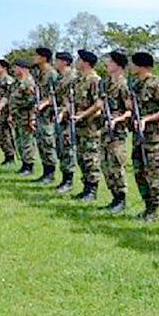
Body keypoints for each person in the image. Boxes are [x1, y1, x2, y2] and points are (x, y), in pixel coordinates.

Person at [129, 52, 159, 221]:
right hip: (138, 137)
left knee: (153, 174)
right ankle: (147, 207)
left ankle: (153, 210)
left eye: (133, 64)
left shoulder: (155, 84)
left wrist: (147, 119)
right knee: (139, 173)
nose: (131, 67)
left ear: (141, 66)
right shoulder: (137, 85)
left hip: (153, 137)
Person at [99, 51, 132, 213]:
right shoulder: (105, 84)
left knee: (116, 164)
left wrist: (117, 119)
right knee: (105, 165)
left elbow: (130, 110)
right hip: (104, 130)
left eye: (110, 62)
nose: (107, 64)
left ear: (118, 65)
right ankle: (114, 196)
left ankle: (121, 197)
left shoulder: (123, 85)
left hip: (117, 132)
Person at [71, 50, 103, 201]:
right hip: (79, 126)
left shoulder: (94, 80)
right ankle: (86, 187)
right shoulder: (79, 81)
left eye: (79, 59)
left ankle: (92, 189)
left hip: (91, 127)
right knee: (81, 158)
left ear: (85, 62)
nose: (77, 62)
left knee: (91, 158)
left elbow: (98, 104)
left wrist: (83, 115)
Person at [52, 52, 80, 193]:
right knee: (61, 148)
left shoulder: (72, 78)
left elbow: (70, 100)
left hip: (68, 119)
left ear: (64, 62)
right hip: (60, 118)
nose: (55, 63)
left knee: (68, 149)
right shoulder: (60, 78)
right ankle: (64, 178)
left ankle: (68, 180)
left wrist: (64, 111)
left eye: (57, 60)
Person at [32, 48, 60, 184]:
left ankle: (50, 173)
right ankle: (45, 171)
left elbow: (55, 94)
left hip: (49, 115)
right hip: (40, 115)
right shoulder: (39, 73)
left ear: (44, 58)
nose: (34, 57)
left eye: (37, 55)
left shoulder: (51, 74)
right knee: (41, 143)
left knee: (48, 143)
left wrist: (45, 103)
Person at [10, 60, 38, 175]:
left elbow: (32, 101)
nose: (14, 70)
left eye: (16, 68)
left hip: (25, 117)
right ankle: (24, 164)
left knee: (27, 142)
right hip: (17, 117)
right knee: (20, 141)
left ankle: (28, 166)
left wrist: (32, 118)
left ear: (23, 69)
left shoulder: (28, 82)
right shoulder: (17, 82)